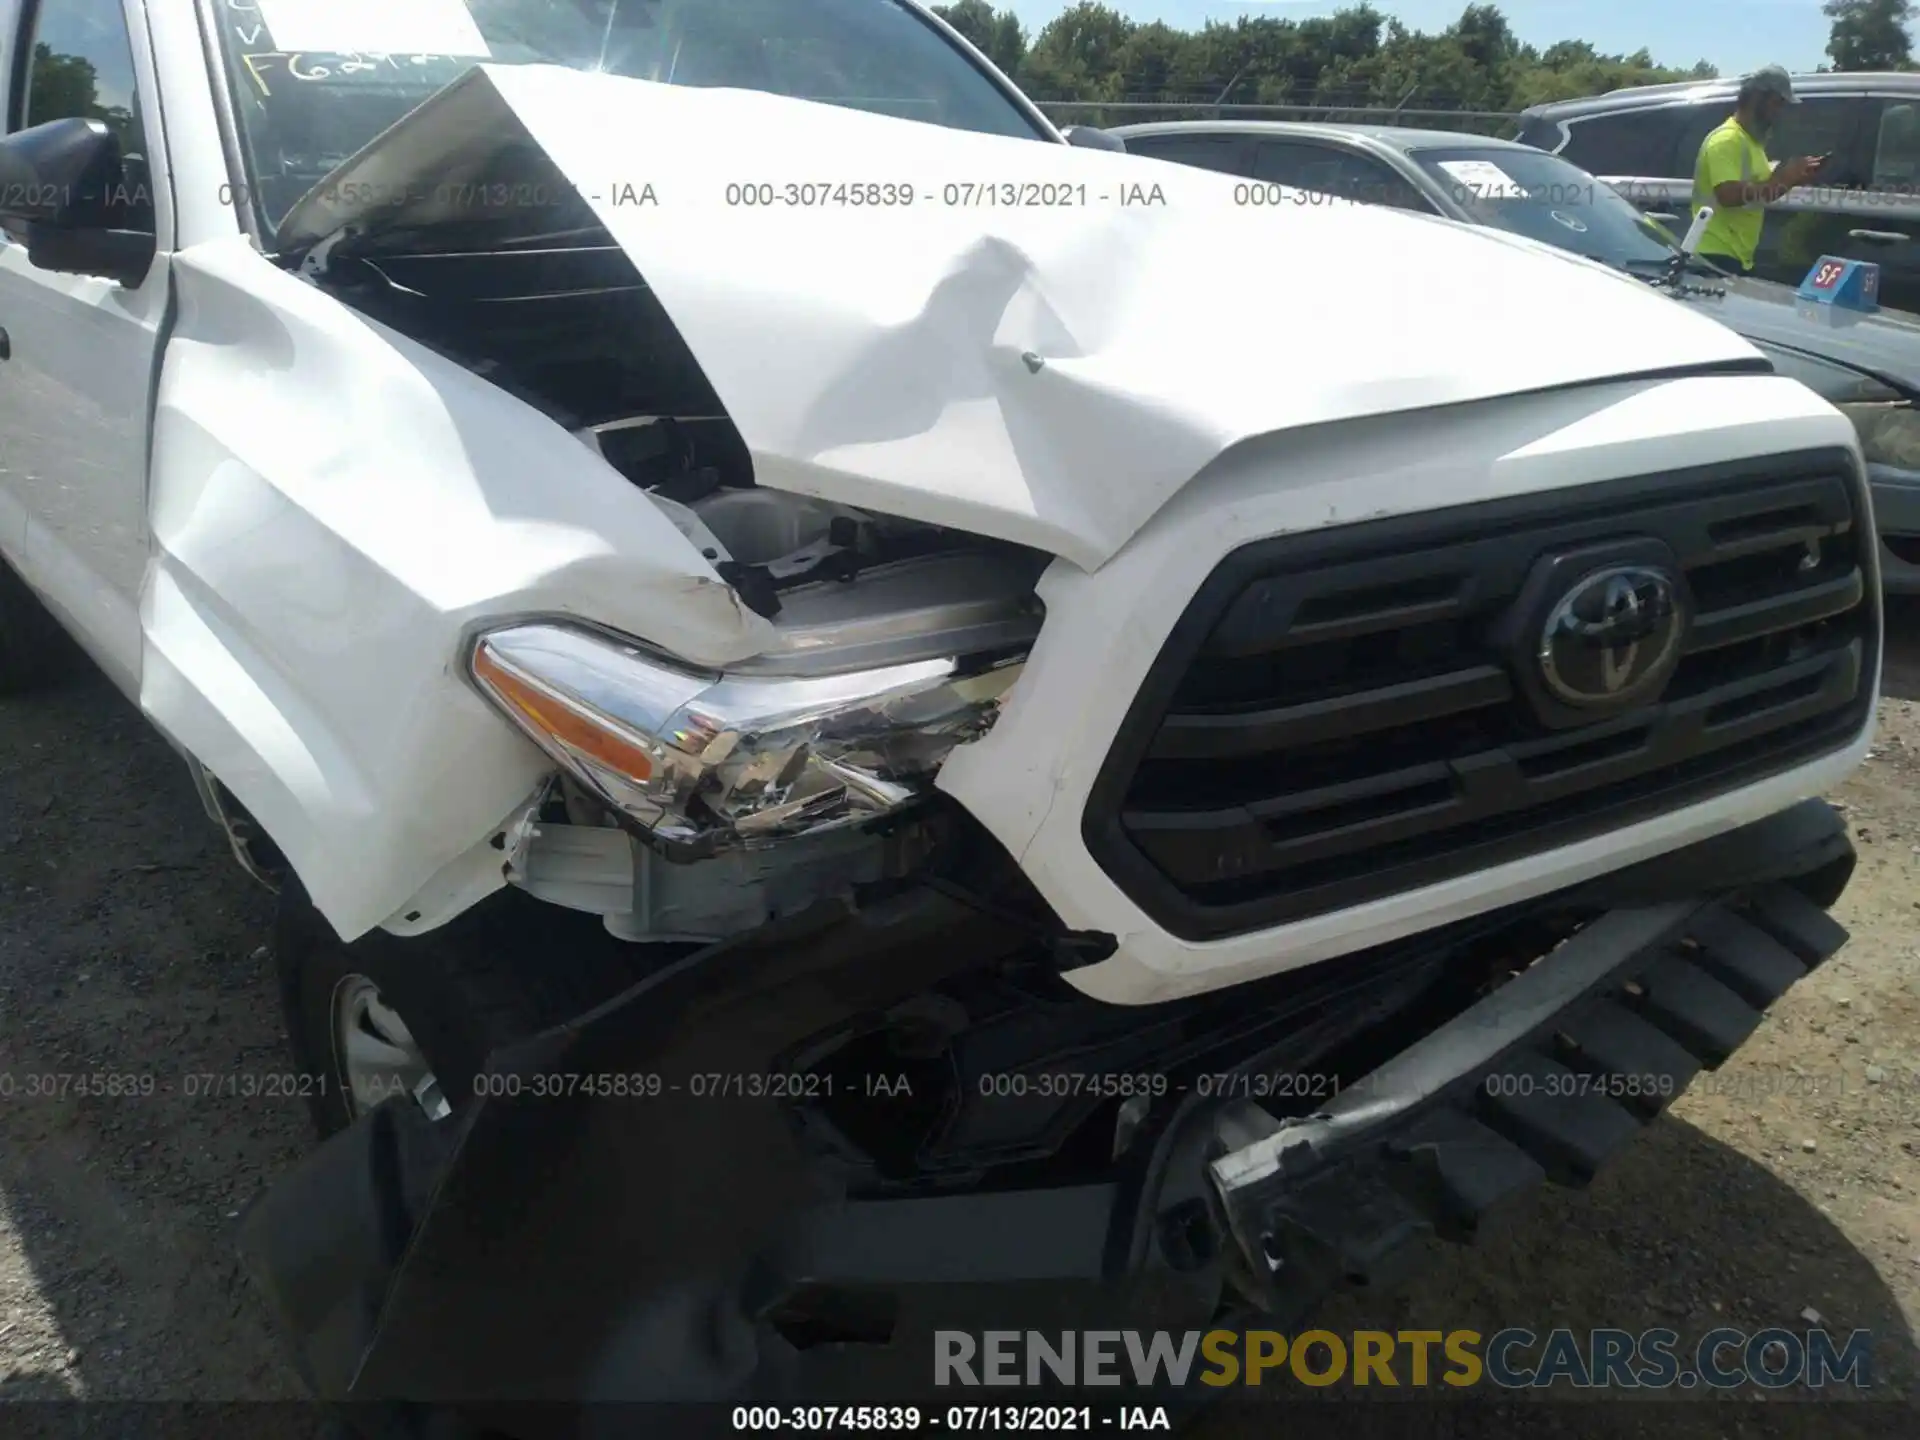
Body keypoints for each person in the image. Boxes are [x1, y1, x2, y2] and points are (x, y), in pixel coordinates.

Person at [1689, 65, 1827, 273]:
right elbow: (1727, 195)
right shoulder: (1727, 140)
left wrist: (1791, 180)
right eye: (1776, 104)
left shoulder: (1751, 143)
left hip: (1735, 255)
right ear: (1756, 99)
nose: (1779, 112)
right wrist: (1781, 178)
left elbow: (1759, 195)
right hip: (1714, 255)